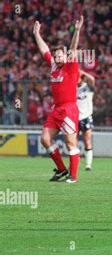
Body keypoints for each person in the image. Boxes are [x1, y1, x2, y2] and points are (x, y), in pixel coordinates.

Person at [33, 16, 84, 183]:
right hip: (56, 109)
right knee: (45, 139)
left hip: (69, 109)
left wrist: (76, 31)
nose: (57, 57)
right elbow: (44, 50)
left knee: (70, 142)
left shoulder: (71, 65)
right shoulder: (54, 65)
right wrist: (36, 33)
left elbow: (74, 48)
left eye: (60, 55)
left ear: (65, 56)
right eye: (55, 55)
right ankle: (62, 169)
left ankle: (73, 175)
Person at [77, 70, 95, 171]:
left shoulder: (87, 88)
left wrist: (79, 70)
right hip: (75, 118)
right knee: (73, 142)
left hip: (86, 116)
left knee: (86, 140)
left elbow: (92, 79)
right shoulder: (72, 88)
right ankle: (74, 164)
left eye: (78, 77)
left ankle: (88, 165)